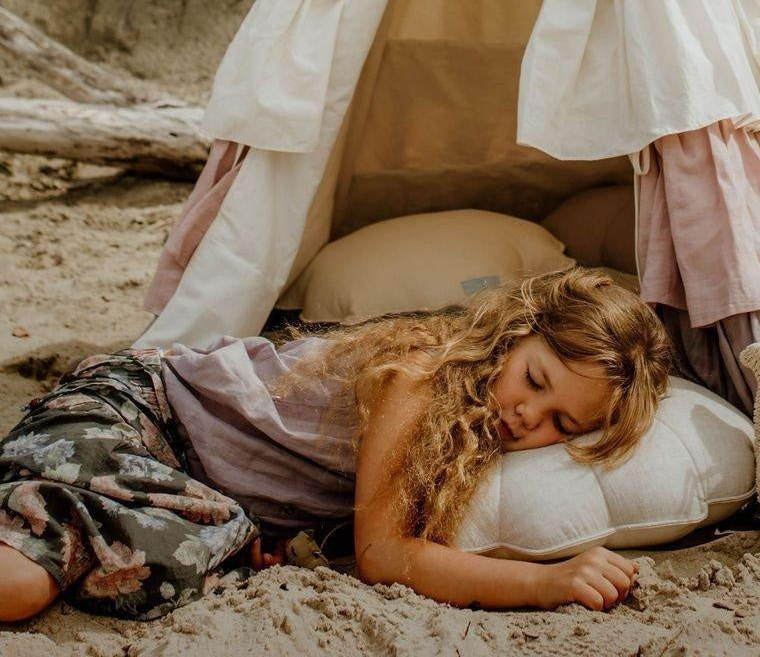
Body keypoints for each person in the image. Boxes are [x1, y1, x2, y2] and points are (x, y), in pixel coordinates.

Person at [0, 266, 671, 623]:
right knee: (23, 584)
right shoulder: (422, 375)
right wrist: (545, 582)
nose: (529, 417)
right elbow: (384, 556)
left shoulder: (474, 433)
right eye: (535, 380)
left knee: (171, 561)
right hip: (141, 409)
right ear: (516, 331)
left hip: (191, 478)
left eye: (561, 424)